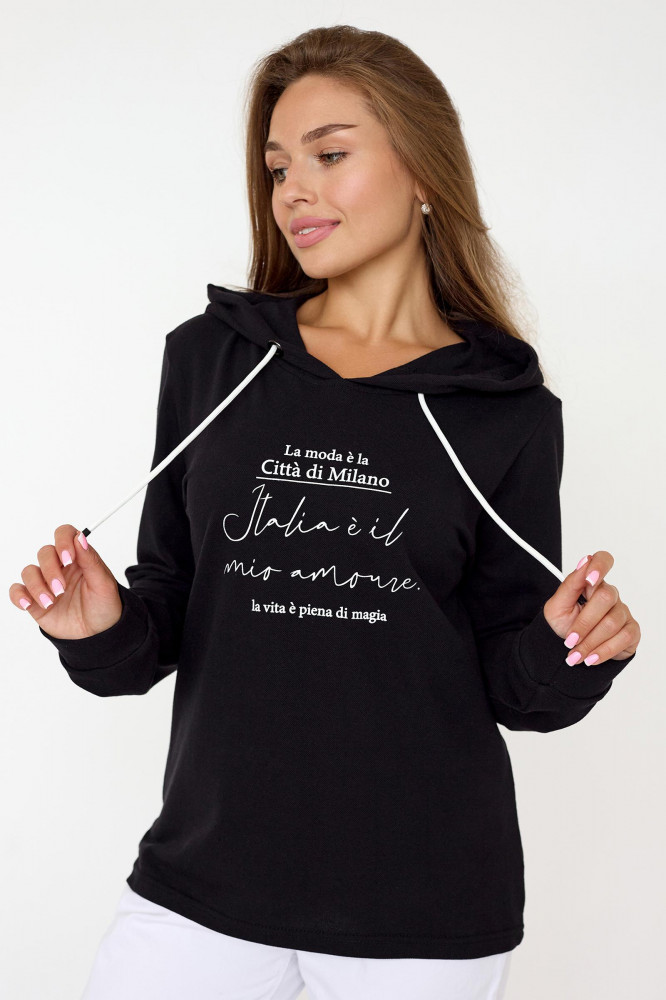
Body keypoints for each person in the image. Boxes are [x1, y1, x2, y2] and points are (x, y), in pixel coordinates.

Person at [10, 24, 640, 1000]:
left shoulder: (504, 408)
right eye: (277, 167)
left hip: (425, 911)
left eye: (329, 155)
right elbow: (162, 616)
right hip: (205, 881)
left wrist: (575, 647)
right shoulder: (213, 360)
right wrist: (98, 628)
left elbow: (515, 684)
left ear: (423, 168)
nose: (293, 190)